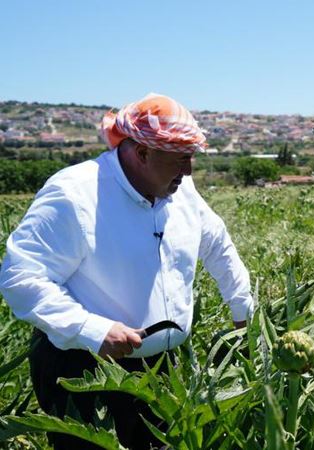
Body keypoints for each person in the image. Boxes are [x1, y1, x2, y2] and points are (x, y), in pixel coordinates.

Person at [0, 93, 255, 449]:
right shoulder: (74, 194)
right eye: (181, 159)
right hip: (81, 369)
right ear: (142, 153)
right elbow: (21, 277)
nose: (189, 171)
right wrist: (92, 329)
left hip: (161, 369)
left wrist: (242, 310)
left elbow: (217, 245)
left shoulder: (181, 192)